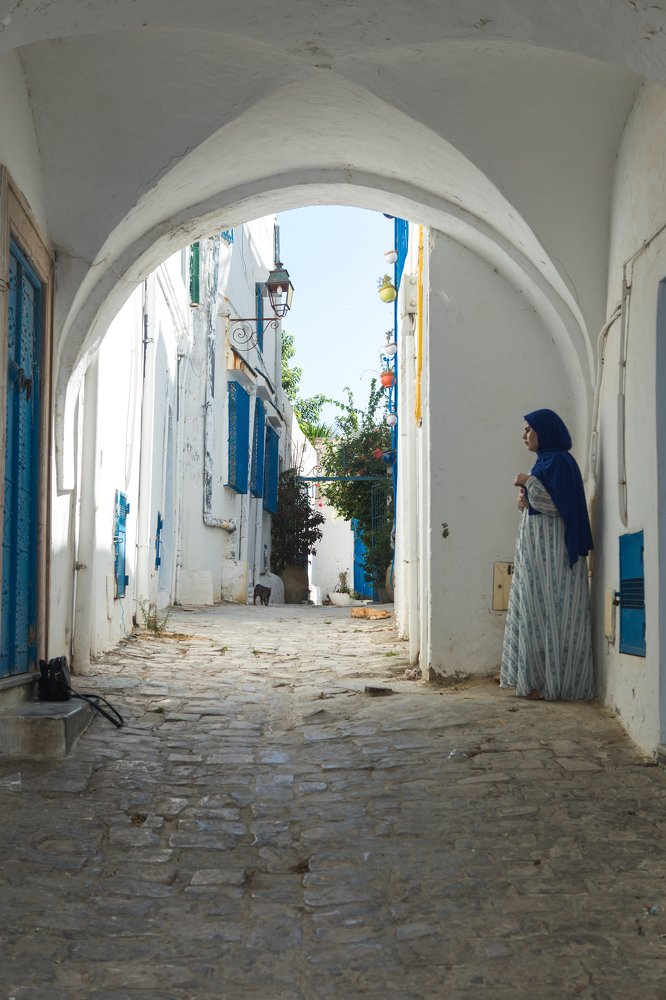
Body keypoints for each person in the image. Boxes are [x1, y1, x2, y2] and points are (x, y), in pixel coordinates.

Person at [500, 408, 594, 701]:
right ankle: (537, 680)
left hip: (554, 554)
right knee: (536, 611)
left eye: (529, 429)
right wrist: (525, 495)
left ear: (545, 431)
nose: (524, 436)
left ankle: (557, 683)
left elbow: (556, 506)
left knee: (553, 611)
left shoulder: (560, 462)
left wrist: (527, 481)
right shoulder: (545, 462)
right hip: (538, 552)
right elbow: (539, 502)